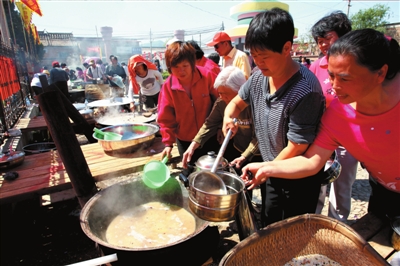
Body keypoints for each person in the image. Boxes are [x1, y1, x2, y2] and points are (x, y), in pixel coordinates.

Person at [239, 29, 400, 220]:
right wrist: (267, 168)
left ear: (380, 73)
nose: (334, 86)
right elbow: (311, 161)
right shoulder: (337, 115)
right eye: (331, 76)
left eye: (344, 78)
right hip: (385, 191)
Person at [222, 8, 326, 227]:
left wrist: (266, 169)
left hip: (297, 176)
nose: (259, 62)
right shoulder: (260, 76)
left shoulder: (306, 89)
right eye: (255, 56)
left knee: (292, 231)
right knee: (269, 223)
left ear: (287, 48)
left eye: (265, 56)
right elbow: (235, 103)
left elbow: (297, 146)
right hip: (271, 169)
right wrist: (227, 117)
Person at [310, 11, 357, 223]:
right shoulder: (315, 66)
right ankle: (315, 222)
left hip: (348, 137)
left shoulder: (358, 63)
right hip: (322, 136)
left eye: (327, 39)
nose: (322, 46)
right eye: (319, 41)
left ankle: (337, 224)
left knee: (342, 184)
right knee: (318, 181)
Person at [182, 66, 261, 173]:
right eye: (219, 93)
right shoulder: (221, 102)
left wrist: (245, 156)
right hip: (238, 148)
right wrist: (194, 144)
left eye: (226, 94)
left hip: (260, 153)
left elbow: (260, 136)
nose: (222, 97)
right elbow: (210, 124)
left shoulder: (256, 104)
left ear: (241, 90)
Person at [158, 41, 220, 166]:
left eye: (185, 66)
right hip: (185, 139)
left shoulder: (207, 76)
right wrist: (168, 143)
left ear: (192, 63)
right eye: (176, 67)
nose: (181, 71)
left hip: (210, 136)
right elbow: (165, 117)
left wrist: (219, 127)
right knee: (190, 172)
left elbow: (221, 102)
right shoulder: (168, 86)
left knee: (213, 172)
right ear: (170, 68)